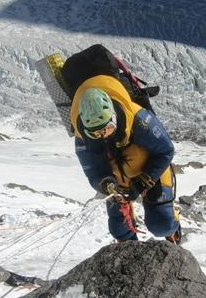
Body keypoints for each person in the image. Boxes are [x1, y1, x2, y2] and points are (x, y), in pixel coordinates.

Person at [70, 74, 180, 243]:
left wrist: (143, 182)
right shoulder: (82, 137)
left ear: (114, 117)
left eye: (107, 128)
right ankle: (132, 253)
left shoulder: (138, 120)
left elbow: (165, 151)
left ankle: (173, 228)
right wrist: (107, 185)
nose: (102, 135)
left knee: (162, 224)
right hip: (118, 182)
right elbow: (93, 171)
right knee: (119, 230)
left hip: (149, 171)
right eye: (95, 133)